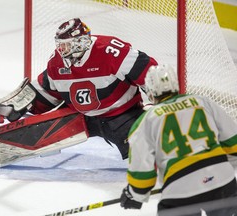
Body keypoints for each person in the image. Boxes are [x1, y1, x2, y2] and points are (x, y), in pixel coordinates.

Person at [26, 17, 158, 160]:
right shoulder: (56, 62)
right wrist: (20, 105)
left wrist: (161, 102)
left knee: (146, 153)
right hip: (81, 118)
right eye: (60, 45)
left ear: (80, 43)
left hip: (122, 116)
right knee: (38, 130)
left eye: (67, 45)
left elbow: (149, 71)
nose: (61, 50)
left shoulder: (111, 51)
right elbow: (44, 92)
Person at [120, 64, 237, 215]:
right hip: (222, 180)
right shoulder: (202, 102)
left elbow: (142, 168)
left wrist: (135, 194)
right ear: (176, 84)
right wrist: (219, 171)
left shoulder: (145, 121)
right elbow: (233, 142)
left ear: (149, 92)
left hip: (180, 189)